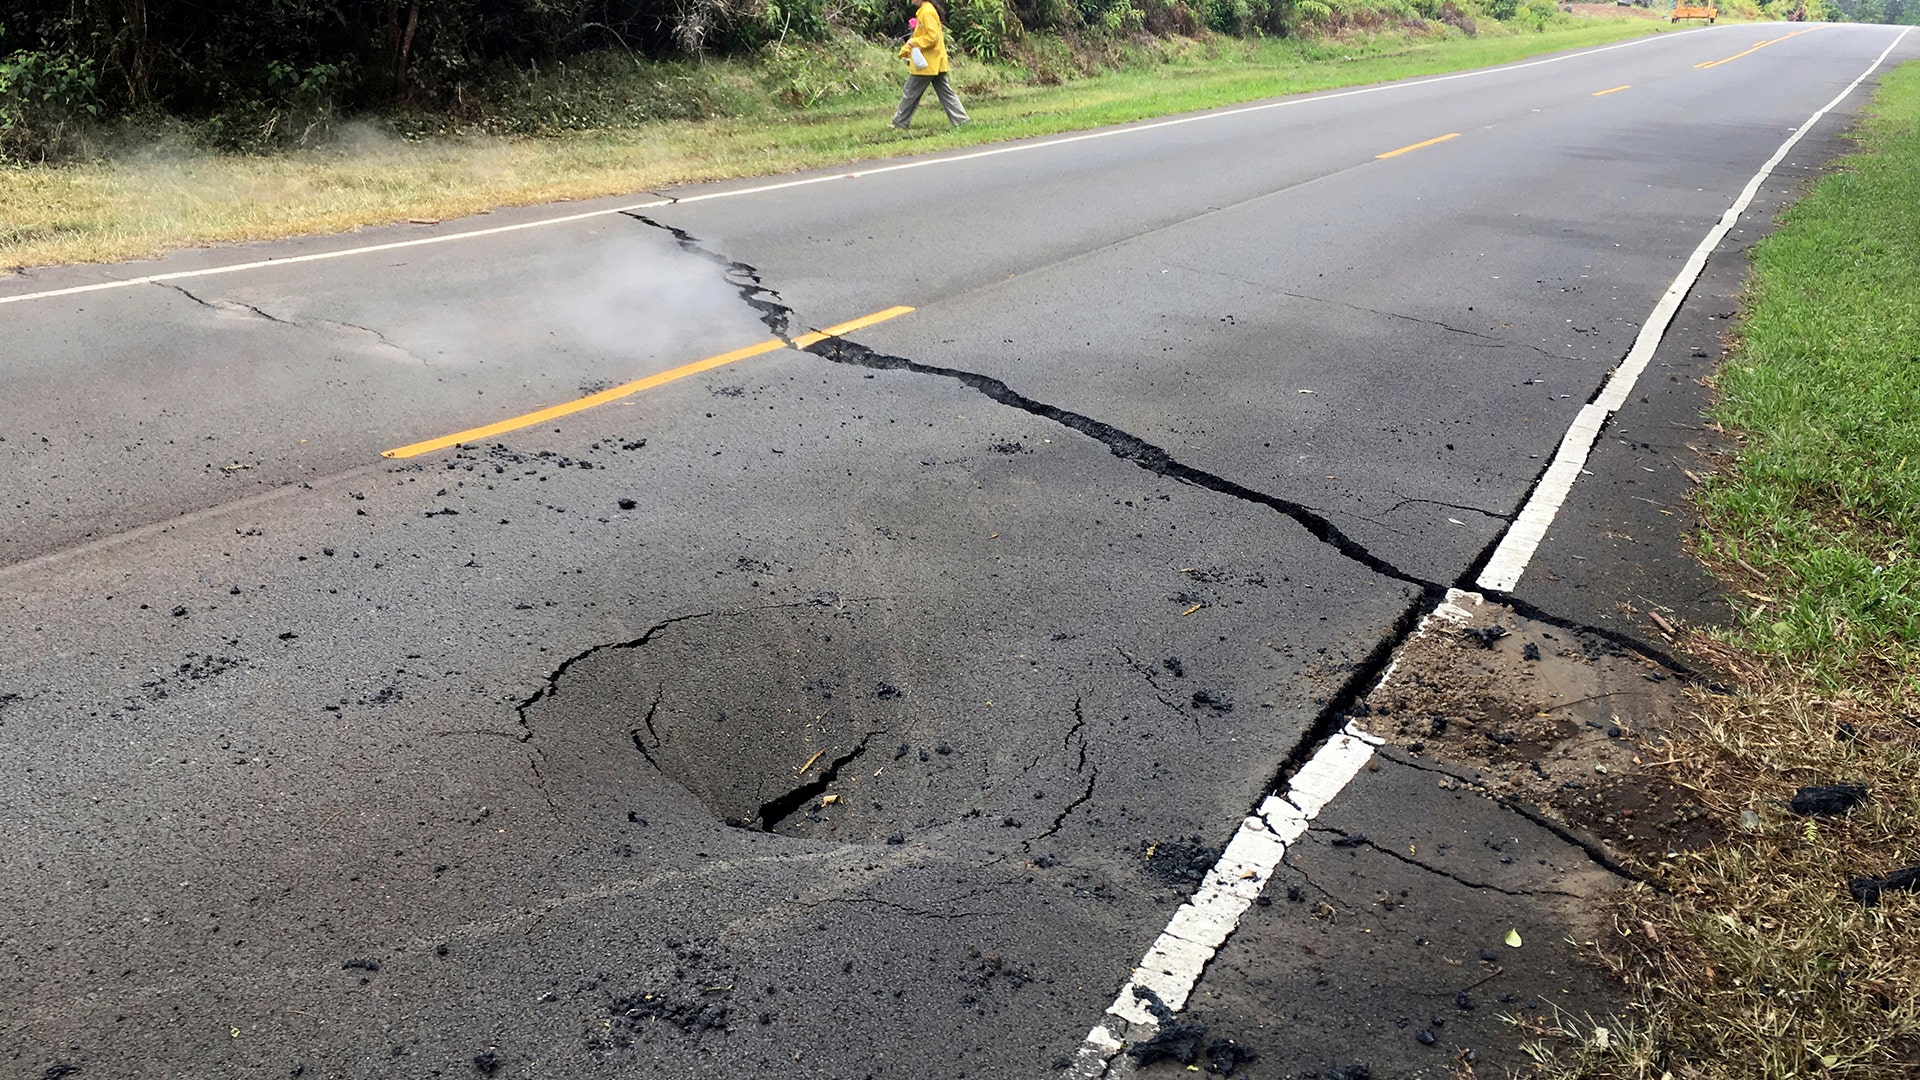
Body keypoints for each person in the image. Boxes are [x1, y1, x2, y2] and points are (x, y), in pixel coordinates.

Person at [892, 0, 970, 130]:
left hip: (927, 64)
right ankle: (962, 120)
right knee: (946, 93)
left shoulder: (927, 12)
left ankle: (899, 122)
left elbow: (932, 36)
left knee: (910, 91)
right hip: (935, 62)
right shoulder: (926, 10)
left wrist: (914, 42)